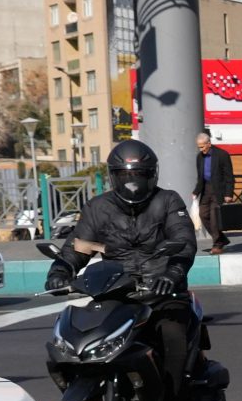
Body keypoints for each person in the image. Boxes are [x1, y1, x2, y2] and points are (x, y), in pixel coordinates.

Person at [72, 138, 201, 377]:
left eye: (139, 175)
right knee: (84, 339)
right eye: (124, 176)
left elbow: (184, 240)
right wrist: (61, 270)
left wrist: (172, 274)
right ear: (113, 176)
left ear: (151, 175)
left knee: (174, 342)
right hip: (116, 294)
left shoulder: (168, 200)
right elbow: (81, 245)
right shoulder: (98, 207)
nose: (132, 183)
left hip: (163, 294)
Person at [195, 130, 232, 254]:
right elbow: (200, 177)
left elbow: (229, 176)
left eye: (202, 147)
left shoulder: (222, 155)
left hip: (218, 191)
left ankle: (217, 244)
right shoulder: (199, 157)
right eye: (199, 147)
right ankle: (222, 239)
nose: (201, 150)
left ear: (209, 143)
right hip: (205, 190)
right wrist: (196, 191)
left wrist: (228, 194)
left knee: (215, 218)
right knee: (203, 215)